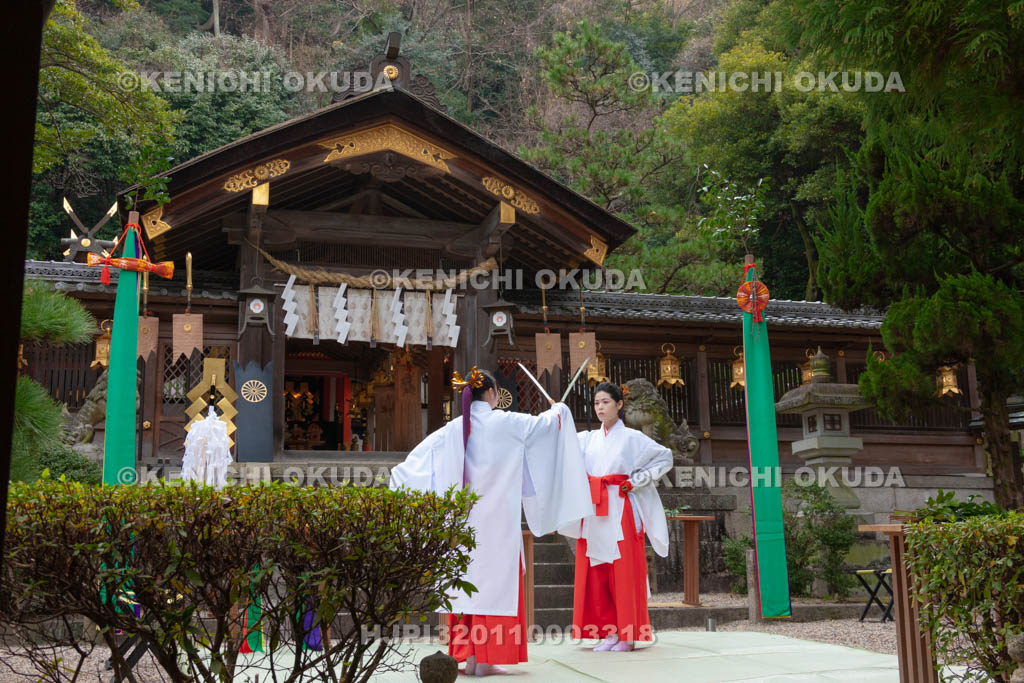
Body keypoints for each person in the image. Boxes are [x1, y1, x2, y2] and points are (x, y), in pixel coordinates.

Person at [389, 367, 591, 676]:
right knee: (497, 588)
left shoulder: (453, 429)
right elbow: (549, 427)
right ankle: (485, 658)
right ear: (494, 394)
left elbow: (408, 469)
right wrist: (560, 409)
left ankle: (470, 656)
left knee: (467, 586)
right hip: (498, 524)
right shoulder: (508, 423)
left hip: (460, 528)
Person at [560, 381, 673, 652]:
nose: (600, 407)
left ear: (619, 405)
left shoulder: (633, 438)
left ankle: (628, 634)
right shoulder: (587, 438)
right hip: (594, 506)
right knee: (598, 571)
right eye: (597, 403)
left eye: (605, 402)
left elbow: (665, 457)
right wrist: (559, 416)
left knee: (623, 570)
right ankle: (609, 631)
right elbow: (560, 443)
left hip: (620, 504)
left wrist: (637, 481)